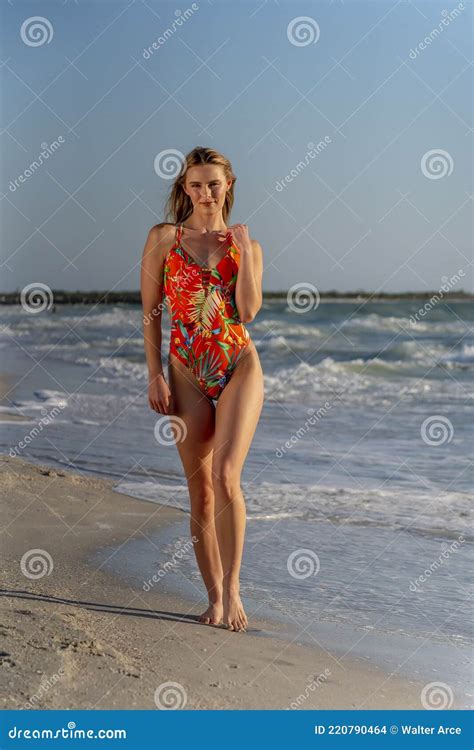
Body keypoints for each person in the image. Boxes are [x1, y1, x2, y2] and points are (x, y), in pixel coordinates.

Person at [140, 146, 264, 632]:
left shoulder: (246, 244)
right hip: (186, 369)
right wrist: (153, 373)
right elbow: (150, 310)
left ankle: (233, 590)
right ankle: (212, 597)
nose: (205, 192)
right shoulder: (163, 238)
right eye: (196, 184)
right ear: (184, 188)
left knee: (226, 476)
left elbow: (248, 312)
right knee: (201, 491)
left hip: (238, 362)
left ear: (228, 185)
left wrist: (245, 250)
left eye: (214, 183)